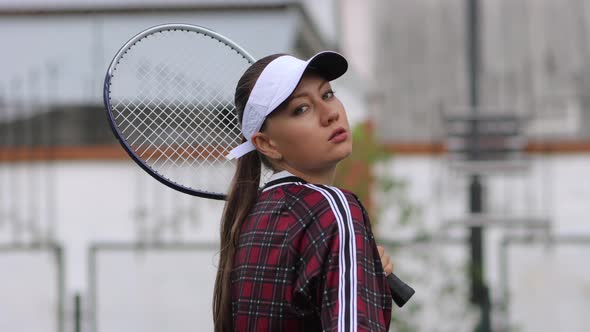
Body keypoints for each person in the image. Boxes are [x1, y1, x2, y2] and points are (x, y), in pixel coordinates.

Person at [213, 51, 393, 331]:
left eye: (328, 94)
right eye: (301, 109)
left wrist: (361, 274)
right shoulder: (333, 208)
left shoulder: (249, 220)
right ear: (267, 143)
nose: (330, 113)